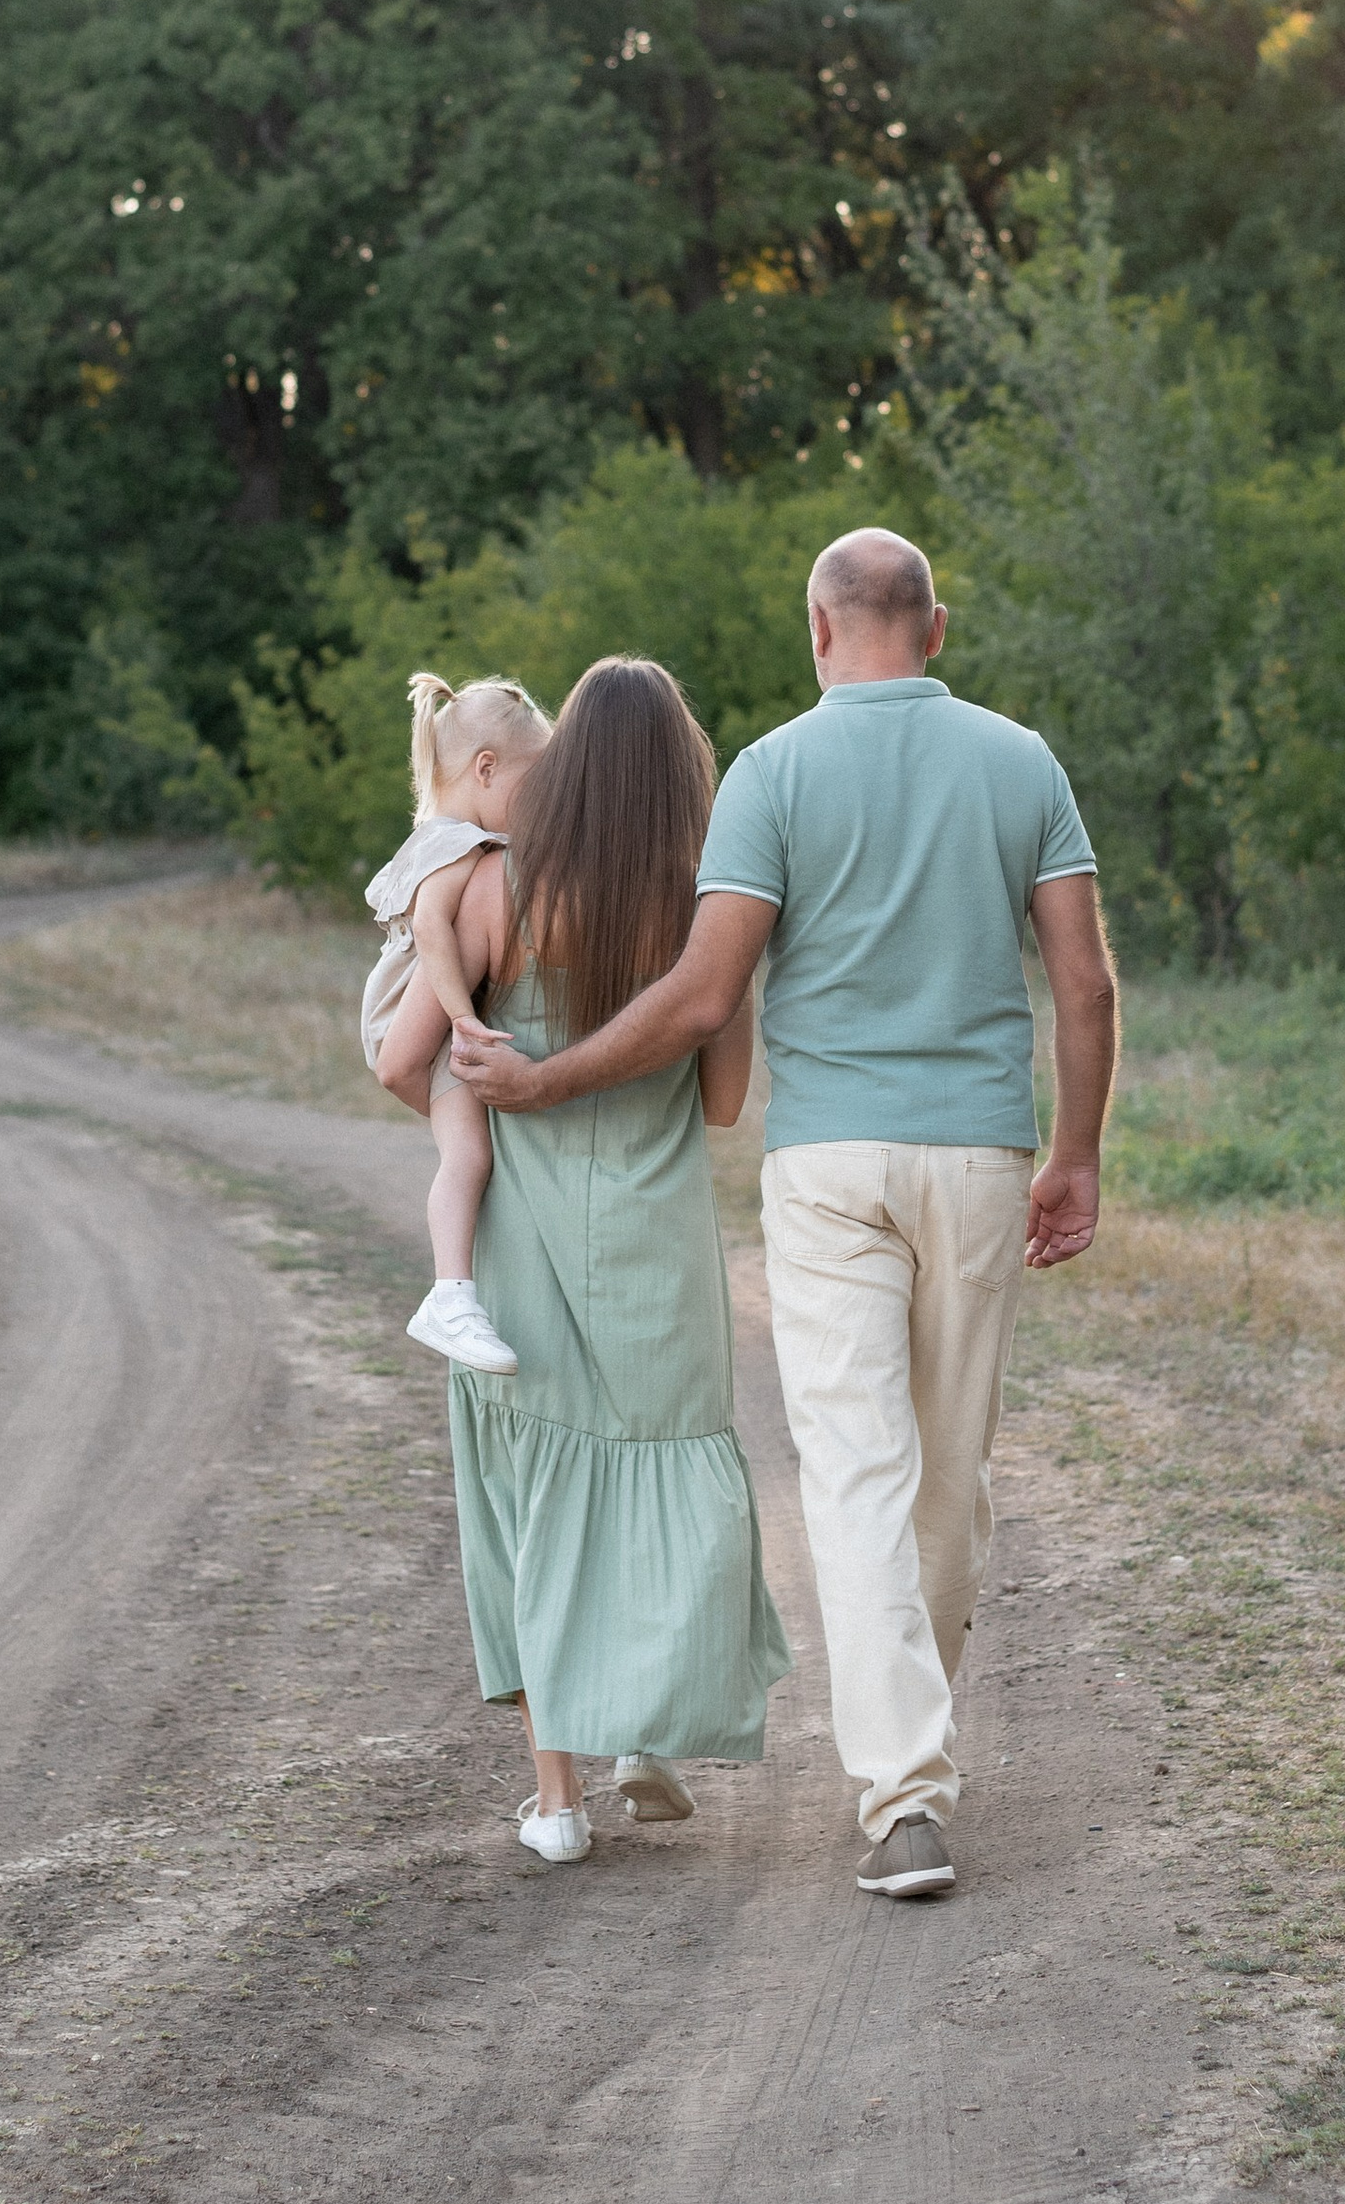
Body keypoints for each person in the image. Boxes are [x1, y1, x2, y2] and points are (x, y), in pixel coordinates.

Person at [453, 529, 1117, 1904]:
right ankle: (911, 1763)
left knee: (859, 1474)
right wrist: (1078, 1154)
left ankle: (906, 1796)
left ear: (819, 630)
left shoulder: (770, 771)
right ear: (935, 627)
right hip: (980, 1157)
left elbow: (704, 996)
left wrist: (547, 1078)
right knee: (946, 1475)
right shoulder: (1024, 762)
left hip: (828, 1170)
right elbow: (1086, 984)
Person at [377, 657, 793, 1866]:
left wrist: (477, 1113)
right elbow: (722, 1101)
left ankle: (556, 1802)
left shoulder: (493, 889)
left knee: (534, 1500)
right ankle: (647, 1732)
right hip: (657, 1245)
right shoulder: (708, 909)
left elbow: (402, 1060)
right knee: (664, 1481)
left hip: (525, 1239)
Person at [361, 672, 552, 1373]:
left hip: (423, 1009)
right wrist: (465, 1018)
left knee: (472, 1152)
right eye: (532, 786)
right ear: (486, 769)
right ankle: (450, 1297)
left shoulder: (444, 833)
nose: (538, 805)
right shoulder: (459, 843)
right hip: (415, 1012)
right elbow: (434, 930)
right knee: (469, 1156)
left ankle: (459, 1290)